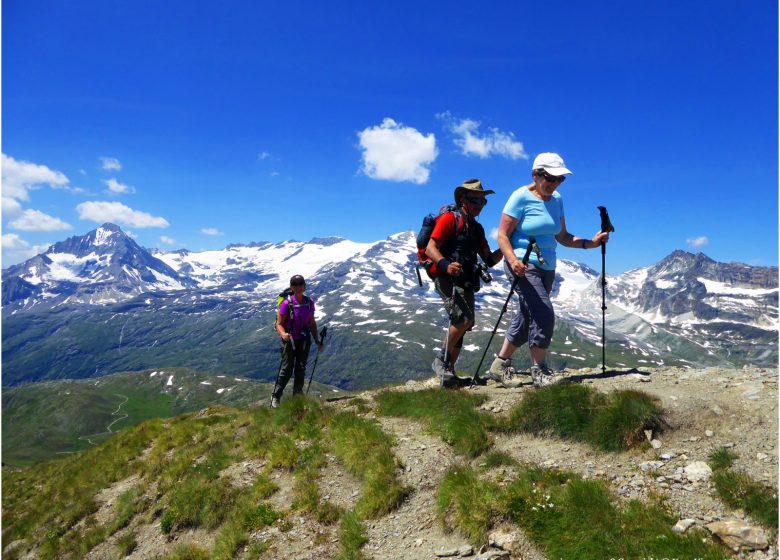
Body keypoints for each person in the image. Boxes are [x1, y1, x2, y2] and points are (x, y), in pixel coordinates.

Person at [489, 153, 610, 387]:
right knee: (543, 312)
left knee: (527, 315)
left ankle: (499, 364)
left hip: (547, 266)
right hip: (523, 264)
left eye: (560, 179)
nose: (555, 183)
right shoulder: (520, 197)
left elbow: (562, 236)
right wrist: (513, 261)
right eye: (550, 178)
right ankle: (539, 371)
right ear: (536, 174)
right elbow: (502, 235)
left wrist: (590, 243)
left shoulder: (557, 200)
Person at [426, 179, 503, 387]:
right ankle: (440, 361)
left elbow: (488, 260)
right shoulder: (449, 219)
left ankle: (449, 374)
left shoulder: (477, 229)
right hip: (447, 277)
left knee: (463, 325)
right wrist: (445, 265)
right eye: (475, 201)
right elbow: (430, 248)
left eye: (483, 202)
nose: (480, 205)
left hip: (467, 279)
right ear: (463, 199)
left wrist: (506, 246)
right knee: (462, 320)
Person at [271, 274, 324, 407]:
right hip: (289, 340)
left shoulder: (308, 302)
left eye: (300, 284)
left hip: (304, 339)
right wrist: (283, 334)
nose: (298, 286)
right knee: (287, 369)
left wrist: (317, 340)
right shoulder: (286, 304)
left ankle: (297, 400)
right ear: (291, 287)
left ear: (304, 286)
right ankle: (276, 396)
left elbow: (312, 323)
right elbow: (279, 323)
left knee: (300, 368)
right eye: (295, 284)